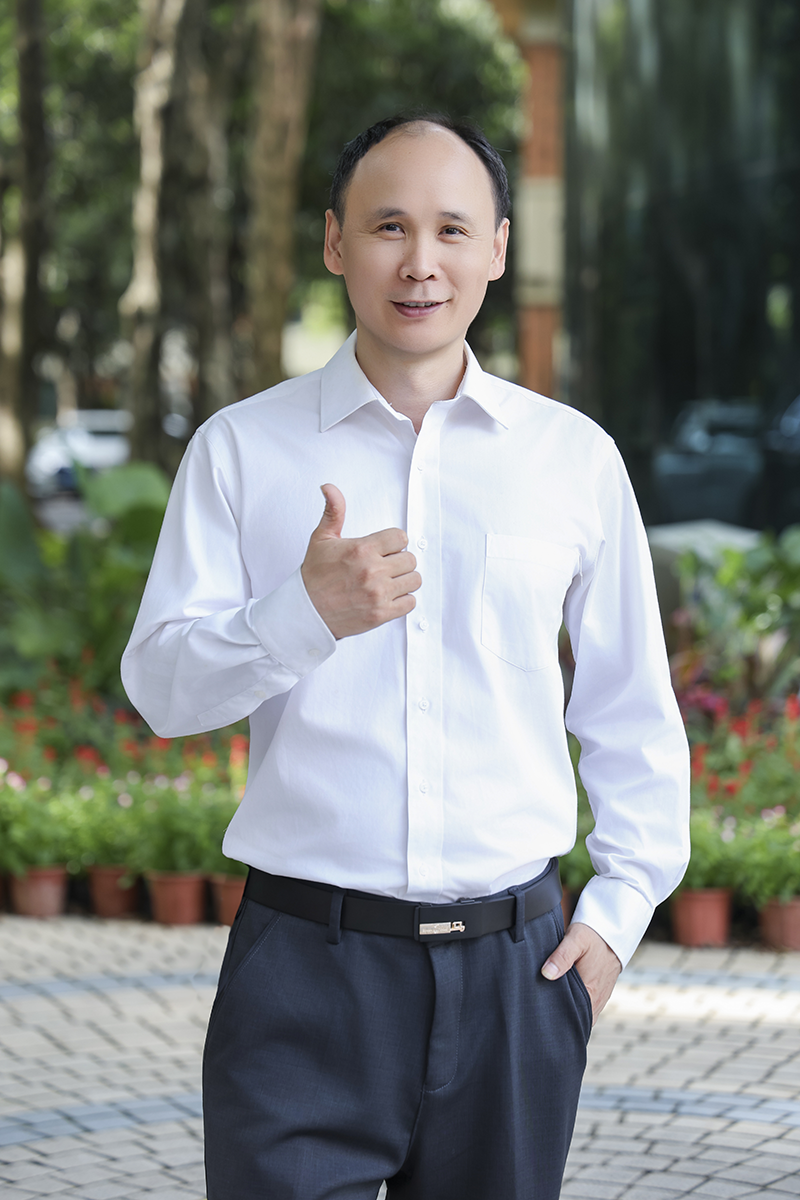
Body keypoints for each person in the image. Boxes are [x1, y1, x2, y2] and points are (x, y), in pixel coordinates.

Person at [122, 113, 689, 1200]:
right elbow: (160, 690)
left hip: (518, 977)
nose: (419, 261)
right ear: (335, 242)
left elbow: (629, 711)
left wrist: (616, 920)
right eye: (388, 226)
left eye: (451, 229)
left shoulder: (571, 460)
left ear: (497, 249)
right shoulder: (241, 448)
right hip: (302, 971)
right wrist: (302, 614)